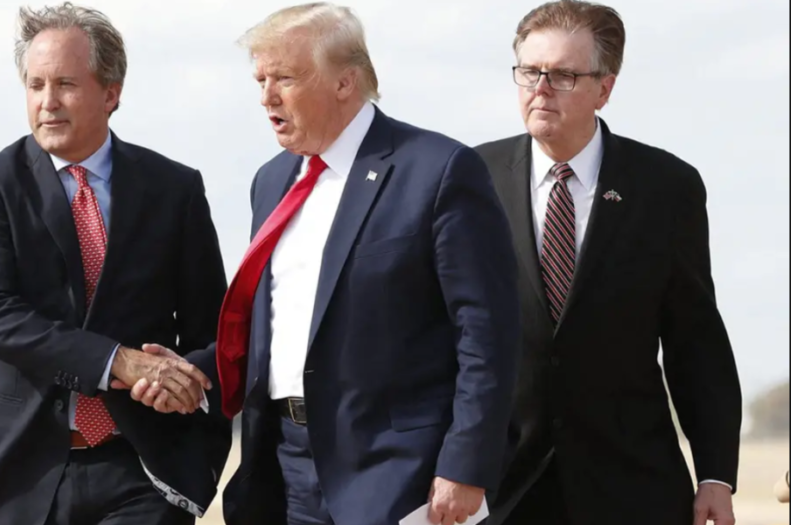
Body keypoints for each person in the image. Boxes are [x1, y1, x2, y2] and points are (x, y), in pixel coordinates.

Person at [116, 3, 522, 525]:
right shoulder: (271, 180)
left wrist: (466, 464)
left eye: (284, 78)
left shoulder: (439, 170)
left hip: (397, 474)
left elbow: (486, 334)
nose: (267, 96)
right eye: (261, 80)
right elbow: (281, 331)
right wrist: (191, 372)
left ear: (345, 82)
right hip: (283, 471)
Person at [0, 3, 230, 524]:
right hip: (22, 471)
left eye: (66, 85)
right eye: (35, 85)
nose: (47, 102)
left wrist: (183, 384)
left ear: (111, 93)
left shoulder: (175, 189)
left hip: (143, 469)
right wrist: (115, 361)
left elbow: (212, 328)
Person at [474, 2, 743, 525]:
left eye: (563, 75)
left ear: (605, 88)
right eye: (529, 71)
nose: (541, 88)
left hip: (631, 485)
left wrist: (715, 473)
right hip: (501, 489)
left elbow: (695, 341)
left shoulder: (666, 187)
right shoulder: (470, 177)